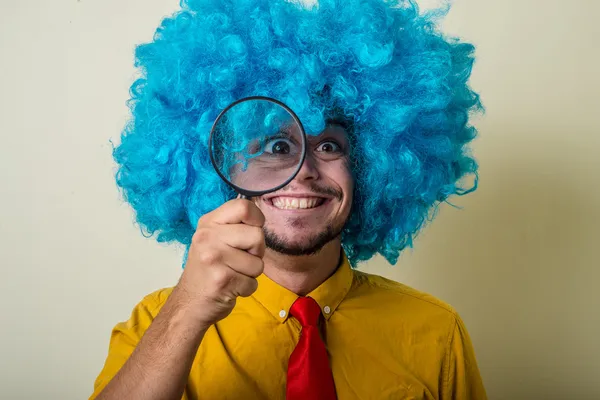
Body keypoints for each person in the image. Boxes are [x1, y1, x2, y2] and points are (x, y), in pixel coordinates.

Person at [90, 0, 487, 398]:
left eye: (329, 146)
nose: (303, 171)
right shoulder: (159, 322)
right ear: (225, 171)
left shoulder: (436, 332)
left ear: (370, 168)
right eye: (277, 146)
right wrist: (186, 312)